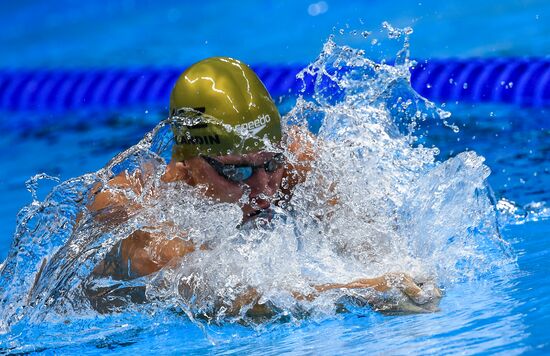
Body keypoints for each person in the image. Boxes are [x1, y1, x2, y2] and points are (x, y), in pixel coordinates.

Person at [87, 57, 440, 315]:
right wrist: (361, 293)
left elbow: (369, 239)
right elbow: (236, 300)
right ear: (186, 163)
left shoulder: (296, 161)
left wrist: (408, 279)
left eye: (270, 164)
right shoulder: (137, 215)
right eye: (236, 172)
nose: (264, 190)